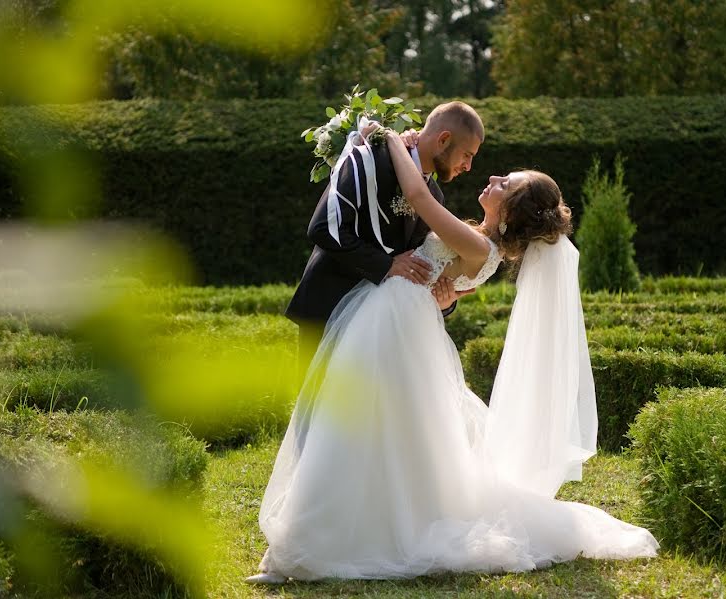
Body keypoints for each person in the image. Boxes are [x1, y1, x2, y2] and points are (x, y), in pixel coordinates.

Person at [247, 126, 658, 584]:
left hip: (394, 324)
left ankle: (315, 543)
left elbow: (421, 200)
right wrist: (444, 295)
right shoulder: (480, 241)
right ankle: (326, 535)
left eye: (506, 183)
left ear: (510, 210)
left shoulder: (479, 245)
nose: (493, 178)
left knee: (354, 425)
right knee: (376, 431)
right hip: (399, 320)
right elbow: (440, 272)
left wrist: (389, 140)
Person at [285, 101, 484, 383]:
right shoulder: (369, 158)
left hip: (379, 327)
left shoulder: (434, 197)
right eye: (467, 154)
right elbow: (323, 228)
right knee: (316, 415)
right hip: (328, 308)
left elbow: (419, 263)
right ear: (443, 140)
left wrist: (445, 301)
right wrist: (387, 265)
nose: (468, 166)